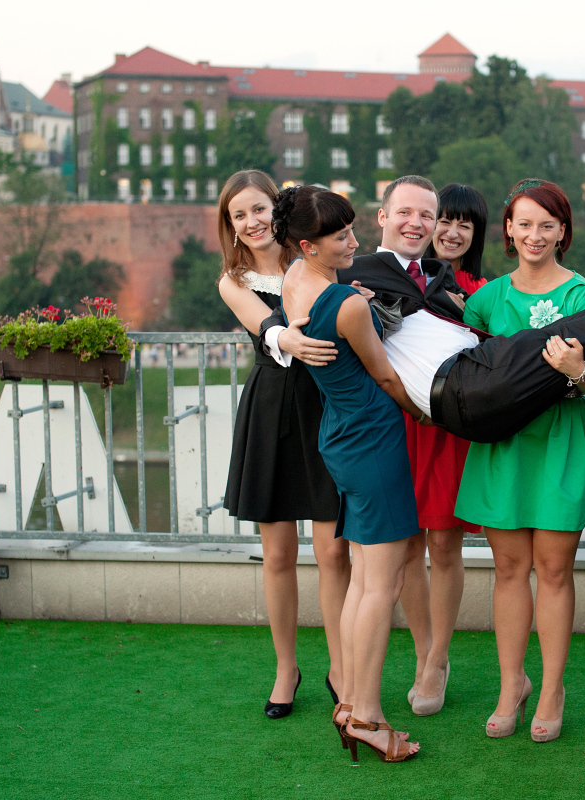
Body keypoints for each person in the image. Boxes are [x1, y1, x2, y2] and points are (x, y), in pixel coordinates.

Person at [275, 184, 426, 763]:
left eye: (351, 231)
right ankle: (366, 716)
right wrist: (423, 412)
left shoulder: (296, 279)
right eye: (341, 237)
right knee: (380, 585)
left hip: (339, 434)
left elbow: (314, 326)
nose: (354, 242)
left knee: (365, 579)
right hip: (373, 438)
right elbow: (385, 376)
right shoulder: (348, 305)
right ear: (308, 245)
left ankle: (352, 703)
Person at [454, 178, 585, 743]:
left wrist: (574, 371)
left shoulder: (580, 294)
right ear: (509, 231)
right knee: (509, 569)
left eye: (547, 225)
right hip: (504, 443)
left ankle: (552, 688)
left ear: (563, 231)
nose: (535, 235)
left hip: (562, 439)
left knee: (555, 569)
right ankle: (511, 683)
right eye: (524, 224)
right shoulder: (485, 300)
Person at [215, 170, 349, 719]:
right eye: (238, 215)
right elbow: (267, 328)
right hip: (271, 411)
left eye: (259, 209)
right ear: (230, 225)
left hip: (326, 403)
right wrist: (286, 335)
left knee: (333, 551)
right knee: (277, 555)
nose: (251, 222)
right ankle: (286, 669)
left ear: (279, 209)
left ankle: (342, 667)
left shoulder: (314, 259)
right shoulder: (232, 281)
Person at [398, 183, 491, 716]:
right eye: (444, 221)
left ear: (478, 233)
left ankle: (438, 659)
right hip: (401, 421)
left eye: (464, 224)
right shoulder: (398, 278)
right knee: (405, 545)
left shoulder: (484, 292)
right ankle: (422, 652)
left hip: (450, 426)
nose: (451, 232)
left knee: (444, 544)